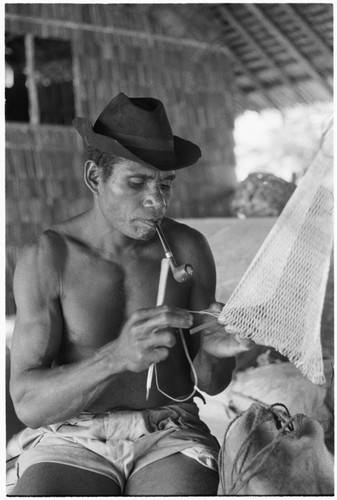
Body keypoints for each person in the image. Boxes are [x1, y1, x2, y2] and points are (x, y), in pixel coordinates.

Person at [9, 93, 253, 496]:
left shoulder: (188, 249)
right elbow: (29, 406)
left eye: (165, 184)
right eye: (136, 182)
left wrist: (213, 351)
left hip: (169, 427)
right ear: (94, 178)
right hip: (73, 433)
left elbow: (209, 383)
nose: (156, 201)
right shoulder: (48, 258)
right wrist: (115, 357)